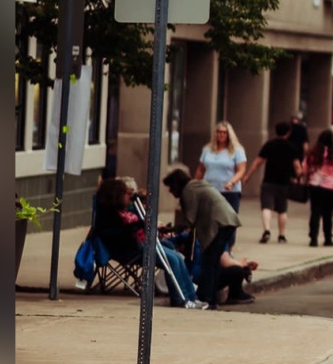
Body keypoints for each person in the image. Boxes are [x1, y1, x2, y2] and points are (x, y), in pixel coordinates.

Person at [95, 178, 204, 308]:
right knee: (172, 260)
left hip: (138, 245)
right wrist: (138, 225)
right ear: (117, 195)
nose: (129, 197)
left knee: (177, 257)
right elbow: (119, 234)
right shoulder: (108, 215)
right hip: (129, 250)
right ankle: (180, 299)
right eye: (126, 194)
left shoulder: (122, 210)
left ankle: (191, 296)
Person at [164, 166, 240, 309]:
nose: (170, 191)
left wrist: (172, 229)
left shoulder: (189, 190)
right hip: (228, 221)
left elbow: (189, 219)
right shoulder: (197, 184)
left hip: (219, 223)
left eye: (170, 187)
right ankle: (211, 299)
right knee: (213, 262)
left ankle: (207, 299)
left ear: (176, 185)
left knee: (209, 262)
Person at [251, 120, 303, 244]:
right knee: (282, 210)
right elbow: (297, 167)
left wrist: (248, 176)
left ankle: (267, 230)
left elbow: (257, 162)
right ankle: (281, 235)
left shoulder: (269, 145)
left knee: (266, 207)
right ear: (288, 132)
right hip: (284, 182)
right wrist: (299, 177)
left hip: (268, 180)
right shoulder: (292, 147)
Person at [196, 121, 248, 213]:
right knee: (210, 220)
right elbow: (200, 169)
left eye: (224, 132)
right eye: (219, 132)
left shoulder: (237, 150)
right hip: (210, 190)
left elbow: (241, 170)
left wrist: (231, 182)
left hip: (229, 192)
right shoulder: (207, 150)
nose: (221, 135)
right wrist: (195, 184)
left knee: (228, 221)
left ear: (229, 135)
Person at [304, 132, 333, 246]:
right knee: (328, 213)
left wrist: (304, 180)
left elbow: (304, 170)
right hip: (331, 187)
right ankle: (328, 238)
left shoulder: (312, 154)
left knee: (315, 211)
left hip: (314, 185)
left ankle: (313, 238)